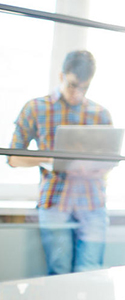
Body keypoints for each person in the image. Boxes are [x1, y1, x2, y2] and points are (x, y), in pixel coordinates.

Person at [8, 50, 113, 275]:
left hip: (93, 202)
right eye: (73, 85)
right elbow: (13, 158)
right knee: (59, 272)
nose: (78, 94)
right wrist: (51, 157)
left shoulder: (100, 114)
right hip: (55, 200)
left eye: (84, 88)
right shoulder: (36, 108)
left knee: (91, 272)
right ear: (61, 76)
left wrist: (92, 165)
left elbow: (111, 161)